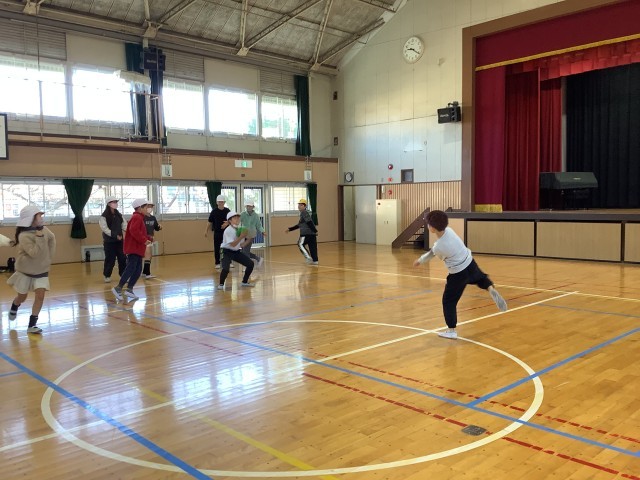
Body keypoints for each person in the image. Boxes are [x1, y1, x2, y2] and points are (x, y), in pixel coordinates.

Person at [413, 210, 508, 340]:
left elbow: (432, 254)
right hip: (470, 262)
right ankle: (490, 287)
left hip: (458, 273)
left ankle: (451, 330)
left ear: (433, 228)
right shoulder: (450, 231)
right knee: (480, 278)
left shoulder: (439, 246)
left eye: (428, 224)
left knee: (449, 301)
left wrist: (420, 260)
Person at [7, 205, 56, 334]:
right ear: (31, 219)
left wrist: (48, 257)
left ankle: (32, 325)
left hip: (41, 271)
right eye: (38, 216)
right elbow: (34, 253)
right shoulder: (24, 236)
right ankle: (15, 304)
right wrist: (39, 236)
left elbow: (52, 239)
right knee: (22, 297)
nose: (41, 218)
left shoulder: (45, 230)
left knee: (40, 296)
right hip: (26, 271)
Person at [112, 199, 152, 302]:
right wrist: (144, 240)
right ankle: (118, 288)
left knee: (138, 270)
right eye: (146, 207)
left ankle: (129, 289)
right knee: (131, 268)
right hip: (133, 248)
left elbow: (140, 232)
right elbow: (134, 230)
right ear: (140, 208)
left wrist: (148, 238)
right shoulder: (137, 217)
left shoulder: (139, 218)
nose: (147, 209)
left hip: (137, 249)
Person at [218, 211, 255, 290]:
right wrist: (241, 236)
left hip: (235, 251)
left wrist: (249, 239)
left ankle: (244, 282)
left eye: (238, 218)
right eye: (235, 218)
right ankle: (221, 284)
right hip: (225, 251)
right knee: (226, 269)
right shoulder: (228, 230)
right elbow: (233, 244)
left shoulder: (239, 229)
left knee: (250, 264)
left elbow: (241, 245)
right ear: (230, 221)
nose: (237, 219)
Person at [99, 196, 127, 283]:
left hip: (120, 241)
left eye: (116, 202)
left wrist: (127, 231)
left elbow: (124, 224)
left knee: (122, 258)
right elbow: (105, 229)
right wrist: (115, 235)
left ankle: (123, 275)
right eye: (113, 202)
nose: (115, 204)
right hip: (109, 242)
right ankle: (107, 275)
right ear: (108, 204)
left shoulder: (119, 214)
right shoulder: (104, 216)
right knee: (110, 259)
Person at [284, 198, 318, 265]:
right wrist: (290, 229)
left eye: (301, 205)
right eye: (299, 205)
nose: (299, 206)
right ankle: (315, 260)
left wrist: (315, 230)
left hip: (306, 233)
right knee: (312, 247)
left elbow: (309, 222)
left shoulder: (304, 213)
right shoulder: (303, 214)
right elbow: (299, 225)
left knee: (300, 244)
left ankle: (308, 257)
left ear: (305, 206)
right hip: (311, 234)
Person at [205, 194, 230, 270]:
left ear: (224, 202)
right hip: (217, 232)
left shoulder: (227, 211)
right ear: (217, 202)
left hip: (226, 233)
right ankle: (217, 262)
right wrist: (206, 230)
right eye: (219, 202)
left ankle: (228, 261)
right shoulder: (214, 211)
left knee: (227, 247)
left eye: (222, 202)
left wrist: (227, 223)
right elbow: (209, 221)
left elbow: (232, 220)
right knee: (217, 248)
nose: (221, 203)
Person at [240, 200, 266, 267]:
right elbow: (237, 221)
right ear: (245, 206)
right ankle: (258, 258)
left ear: (253, 207)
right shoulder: (242, 214)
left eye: (250, 206)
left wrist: (262, 231)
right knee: (244, 251)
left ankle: (247, 265)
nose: (249, 207)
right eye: (247, 206)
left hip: (251, 235)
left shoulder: (256, 216)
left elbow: (259, 225)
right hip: (243, 234)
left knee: (245, 251)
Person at [142, 202, 162, 279]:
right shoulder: (142, 218)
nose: (150, 208)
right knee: (148, 255)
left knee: (149, 256)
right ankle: (147, 274)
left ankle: (144, 272)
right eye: (148, 206)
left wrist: (159, 227)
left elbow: (156, 227)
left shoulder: (153, 218)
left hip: (150, 239)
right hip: (144, 239)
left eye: (151, 207)